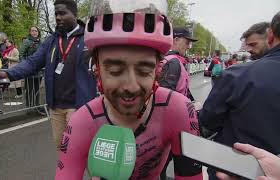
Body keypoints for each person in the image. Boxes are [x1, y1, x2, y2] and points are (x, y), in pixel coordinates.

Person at [55, 0, 203, 179]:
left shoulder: (179, 110)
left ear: (157, 70)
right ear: (97, 70)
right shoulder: (81, 122)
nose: (131, 86)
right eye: (115, 71)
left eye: (144, 71)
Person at [0, 0, 97, 149]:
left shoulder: (89, 38)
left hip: (78, 106)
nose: (58, 17)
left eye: (62, 13)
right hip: (56, 107)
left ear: (74, 15)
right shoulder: (51, 41)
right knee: (61, 148)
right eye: (56, 14)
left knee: (78, 149)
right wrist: (6, 74)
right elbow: (32, 62)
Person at [199, 12, 280, 180]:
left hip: (233, 169)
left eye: (253, 44)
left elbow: (207, 122)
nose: (248, 50)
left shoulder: (237, 75)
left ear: (270, 35)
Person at [159, 27, 198, 180]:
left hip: (169, 123)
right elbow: (165, 98)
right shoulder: (174, 62)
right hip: (172, 124)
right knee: (166, 161)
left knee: (162, 161)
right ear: (175, 40)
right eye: (187, 42)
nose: (189, 46)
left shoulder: (169, 59)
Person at [19, 26, 42, 105]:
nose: (34, 32)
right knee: (29, 89)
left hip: (39, 70)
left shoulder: (41, 42)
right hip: (29, 69)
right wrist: (25, 65)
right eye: (32, 31)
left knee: (37, 89)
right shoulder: (26, 41)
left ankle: (36, 106)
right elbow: (21, 55)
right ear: (30, 32)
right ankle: (29, 107)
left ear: (38, 32)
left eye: (36, 31)